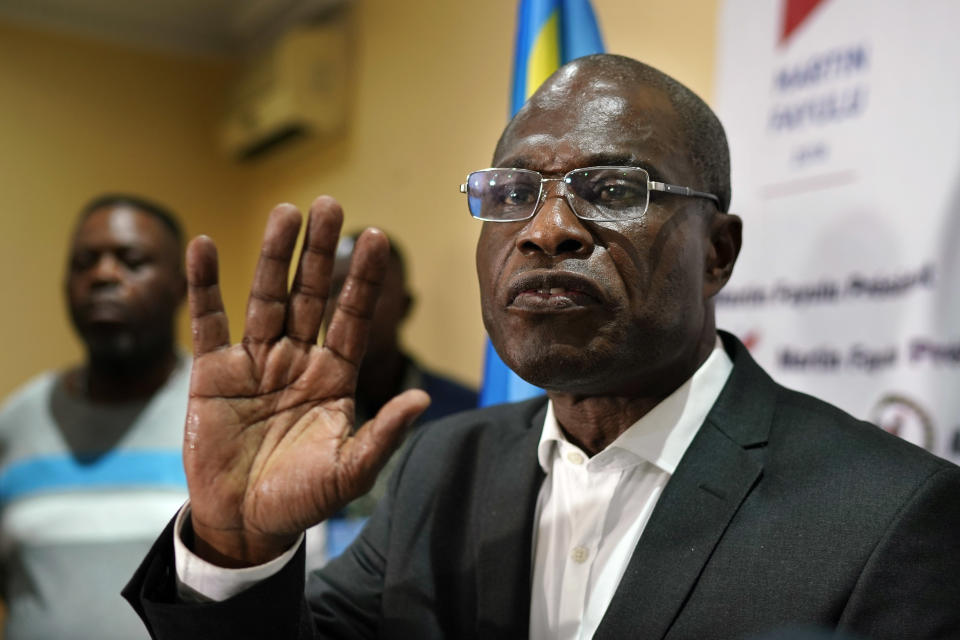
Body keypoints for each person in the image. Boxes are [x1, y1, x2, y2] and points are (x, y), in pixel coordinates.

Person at [123, 55, 960, 639]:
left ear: (718, 253)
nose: (548, 229)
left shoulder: (890, 518)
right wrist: (235, 548)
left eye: (611, 190)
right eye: (513, 193)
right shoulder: (438, 469)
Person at [0, 194, 190, 639]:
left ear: (181, 288)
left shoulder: (221, 414)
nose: (103, 275)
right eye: (85, 262)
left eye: (132, 260)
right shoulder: (16, 421)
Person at [313, 231, 477, 560]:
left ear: (405, 307)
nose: (349, 305)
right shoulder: (299, 415)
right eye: (334, 291)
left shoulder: (467, 415)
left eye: (370, 288)